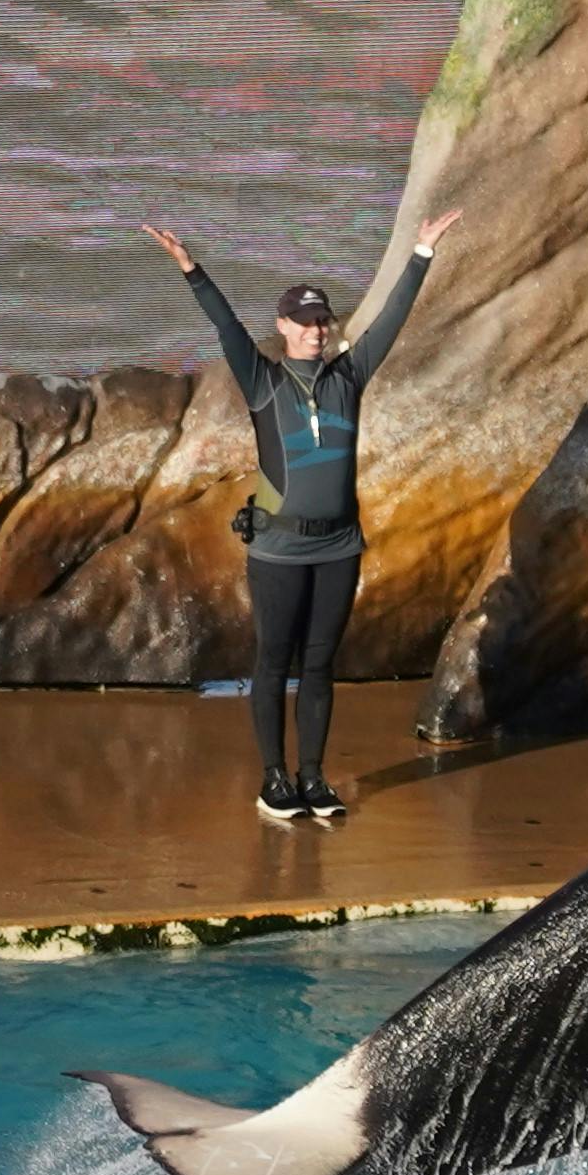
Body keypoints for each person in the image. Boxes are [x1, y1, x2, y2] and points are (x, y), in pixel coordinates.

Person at [139, 208, 462, 822]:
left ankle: (312, 777)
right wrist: (191, 270)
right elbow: (226, 327)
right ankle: (273, 781)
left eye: (324, 320)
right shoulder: (264, 380)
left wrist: (421, 254)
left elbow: (391, 321)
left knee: (319, 664)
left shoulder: (350, 377)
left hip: (339, 547)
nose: (317, 330)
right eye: (306, 321)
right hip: (280, 550)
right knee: (273, 659)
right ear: (284, 326)